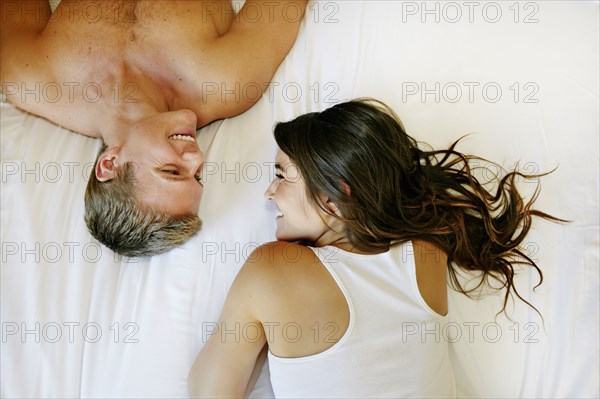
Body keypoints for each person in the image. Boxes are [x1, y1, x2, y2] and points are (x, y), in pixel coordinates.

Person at [187, 98, 561, 397]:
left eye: (282, 175)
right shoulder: (427, 251)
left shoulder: (271, 269)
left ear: (335, 196)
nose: (269, 193)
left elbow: (209, 392)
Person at [0, 0, 307, 256]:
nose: (196, 157)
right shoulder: (228, 81)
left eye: (171, 171)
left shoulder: (29, 78)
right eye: (197, 175)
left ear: (109, 163)